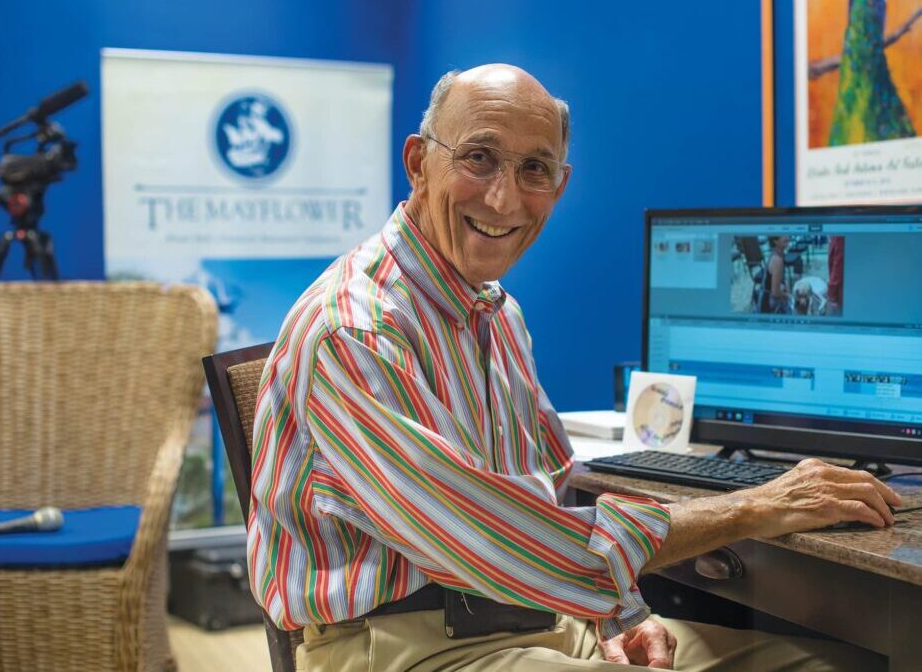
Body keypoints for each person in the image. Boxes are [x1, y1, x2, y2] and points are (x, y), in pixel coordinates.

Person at [247, 64, 899, 671]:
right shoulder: (354, 332)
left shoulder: (497, 314)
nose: (504, 198)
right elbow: (494, 537)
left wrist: (617, 612)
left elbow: (551, 488)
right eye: (478, 157)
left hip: (535, 615)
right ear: (419, 162)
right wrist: (752, 506)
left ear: (559, 185)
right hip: (400, 645)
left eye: (535, 168)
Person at [759, 235, 791, 314]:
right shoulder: (777, 260)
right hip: (768, 306)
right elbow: (775, 292)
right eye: (783, 235)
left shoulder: (778, 254)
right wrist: (788, 296)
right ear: (775, 241)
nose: (787, 237)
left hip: (769, 299)